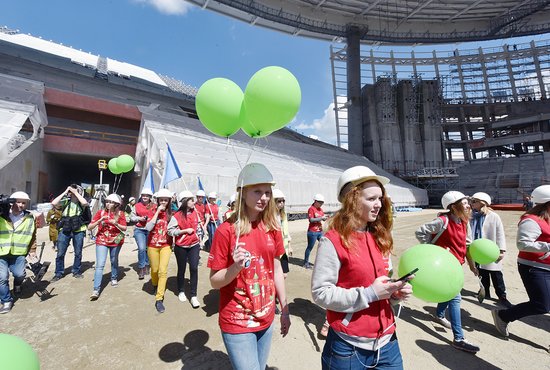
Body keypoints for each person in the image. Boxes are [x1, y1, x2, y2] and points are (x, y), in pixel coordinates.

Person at [311, 166, 412, 369]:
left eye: (380, 198)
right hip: (347, 348)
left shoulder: (380, 236)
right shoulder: (332, 241)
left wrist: (394, 293)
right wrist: (368, 294)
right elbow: (320, 293)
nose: (379, 205)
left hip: (388, 343)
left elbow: (381, 285)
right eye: (371, 199)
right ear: (352, 199)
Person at [208, 163, 290, 370]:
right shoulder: (226, 231)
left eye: (267, 193)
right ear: (243, 193)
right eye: (257, 191)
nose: (264, 198)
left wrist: (285, 308)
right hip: (238, 321)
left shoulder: (272, 228)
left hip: (267, 317)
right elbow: (215, 282)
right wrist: (235, 267)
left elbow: (277, 270)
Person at [415, 191, 480, 353]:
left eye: (467, 203)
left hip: (456, 265)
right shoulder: (442, 221)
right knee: (455, 297)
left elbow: (467, 246)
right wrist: (431, 251)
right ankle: (459, 338)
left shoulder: (465, 222)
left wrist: (472, 265)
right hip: (443, 267)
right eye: (464, 203)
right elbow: (420, 232)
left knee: (449, 294)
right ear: (453, 206)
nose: (468, 205)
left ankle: (439, 313)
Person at [491, 185, 550, 338]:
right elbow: (523, 243)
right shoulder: (531, 220)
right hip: (534, 267)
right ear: (546, 203)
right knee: (541, 305)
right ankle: (503, 316)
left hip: (546, 266)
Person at [470, 192, 512, 308]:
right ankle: (485, 292)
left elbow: (500, 233)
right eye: (471, 201)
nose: (472, 204)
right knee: (481, 272)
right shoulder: (471, 216)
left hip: (492, 250)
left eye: (474, 201)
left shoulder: (493, 216)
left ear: (482, 203)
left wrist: (502, 250)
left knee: (496, 274)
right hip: (478, 250)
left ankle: (502, 296)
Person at [0, 192, 38, 314]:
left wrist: (32, 250)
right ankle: (6, 300)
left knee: (19, 275)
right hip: (2, 252)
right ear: (11, 202)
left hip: (19, 253)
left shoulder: (30, 218)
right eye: (18, 202)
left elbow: (32, 235)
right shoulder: (2, 214)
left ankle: (17, 284)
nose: (21, 205)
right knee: (2, 277)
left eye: (24, 203)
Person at [87, 194, 127, 300]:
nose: (107, 204)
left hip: (117, 240)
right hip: (102, 240)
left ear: (116, 204)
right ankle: (96, 289)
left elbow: (125, 228)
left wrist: (116, 223)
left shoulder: (120, 214)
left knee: (114, 260)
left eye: (110, 202)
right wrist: (99, 221)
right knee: (100, 265)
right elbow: (89, 227)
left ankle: (114, 277)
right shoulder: (100, 213)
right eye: (107, 201)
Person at [168, 190, 201, 308]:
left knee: (194, 268)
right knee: (181, 269)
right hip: (181, 247)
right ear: (185, 201)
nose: (194, 202)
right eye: (191, 200)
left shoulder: (195, 212)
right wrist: (184, 231)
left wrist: (199, 237)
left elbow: (199, 227)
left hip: (194, 245)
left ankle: (193, 296)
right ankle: (181, 290)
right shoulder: (176, 215)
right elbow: (170, 230)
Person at [51, 184, 91, 281]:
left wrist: (76, 193)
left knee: (78, 252)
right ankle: (58, 273)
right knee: (60, 253)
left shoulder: (81, 203)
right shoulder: (65, 202)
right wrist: (66, 191)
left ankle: (76, 271)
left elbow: (85, 203)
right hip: (65, 229)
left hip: (79, 230)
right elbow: (54, 203)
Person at [146, 188, 173, 313]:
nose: (163, 202)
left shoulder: (171, 214)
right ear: (157, 201)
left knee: (163, 271)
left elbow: (174, 229)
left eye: (165, 200)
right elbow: (148, 227)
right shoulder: (152, 211)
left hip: (166, 246)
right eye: (161, 200)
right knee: (155, 270)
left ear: (169, 201)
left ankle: (159, 298)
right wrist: (157, 212)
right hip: (152, 245)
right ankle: (155, 284)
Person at [130, 188, 156, 280]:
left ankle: (147, 265)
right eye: (143, 195)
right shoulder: (136, 206)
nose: (145, 197)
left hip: (150, 230)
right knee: (141, 248)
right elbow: (131, 217)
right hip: (139, 229)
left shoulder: (154, 206)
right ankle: (141, 267)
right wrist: (139, 218)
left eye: (147, 195)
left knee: (148, 248)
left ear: (150, 197)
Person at [303, 194, 328, 269]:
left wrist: (325, 218)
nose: (321, 204)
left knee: (324, 245)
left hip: (320, 231)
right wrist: (321, 218)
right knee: (310, 247)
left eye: (322, 203)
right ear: (315, 201)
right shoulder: (311, 209)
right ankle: (306, 263)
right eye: (320, 202)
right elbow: (311, 220)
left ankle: (323, 262)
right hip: (312, 232)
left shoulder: (320, 209)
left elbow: (322, 218)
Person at [273, 189, 292, 278]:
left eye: (283, 201)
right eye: (279, 201)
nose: (282, 203)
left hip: (283, 249)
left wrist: (290, 246)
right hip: (274, 250)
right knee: (275, 274)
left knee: (284, 275)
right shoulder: (269, 216)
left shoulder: (283, 214)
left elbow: (286, 232)